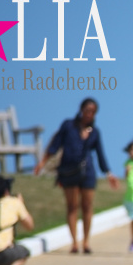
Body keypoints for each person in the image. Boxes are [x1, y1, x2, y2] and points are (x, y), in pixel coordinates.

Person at [35, 97, 119, 254]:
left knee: (87, 206)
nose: (89, 114)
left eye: (93, 112)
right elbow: (55, 145)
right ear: (81, 110)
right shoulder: (68, 126)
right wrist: (42, 163)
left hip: (87, 172)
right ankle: (74, 242)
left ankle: (86, 242)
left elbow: (100, 154)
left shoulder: (94, 132)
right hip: (68, 171)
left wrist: (108, 173)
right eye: (87, 110)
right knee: (72, 206)